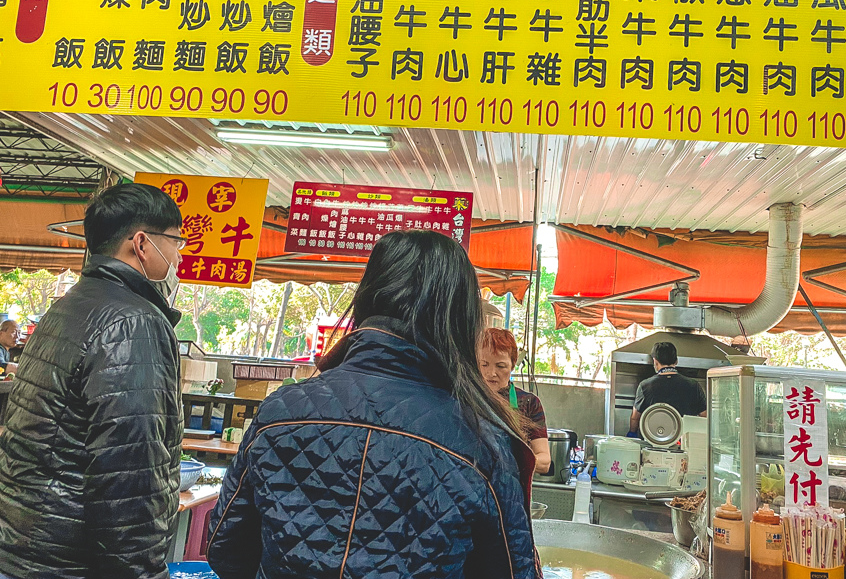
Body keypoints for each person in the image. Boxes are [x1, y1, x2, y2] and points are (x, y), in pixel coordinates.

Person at [208, 230, 541, 579]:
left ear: (367, 298)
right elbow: (512, 571)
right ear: (461, 318)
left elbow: (224, 546)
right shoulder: (483, 441)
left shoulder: (280, 411)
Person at [0, 183, 185, 579]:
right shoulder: (133, 322)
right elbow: (129, 473)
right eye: (175, 242)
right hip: (71, 561)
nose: (179, 257)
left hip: (27, 544)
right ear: (142, 244)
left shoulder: (69, 306)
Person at [477, 327, 551, 473]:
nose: (491, 373)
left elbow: (544, 462)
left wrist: (510, 462)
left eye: (500, 366)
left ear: (513, 364)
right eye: (484, 364)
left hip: (512, 488)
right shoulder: (465, 399)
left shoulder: (529, 403)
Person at [628, 340, 707, 436]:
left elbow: (635, 418)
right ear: (676, 361)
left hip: (652, 441)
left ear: (655, 362)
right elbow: (704, 416)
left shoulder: (644, 386)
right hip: (683, 444)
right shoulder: (694, 386)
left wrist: (632, 433)